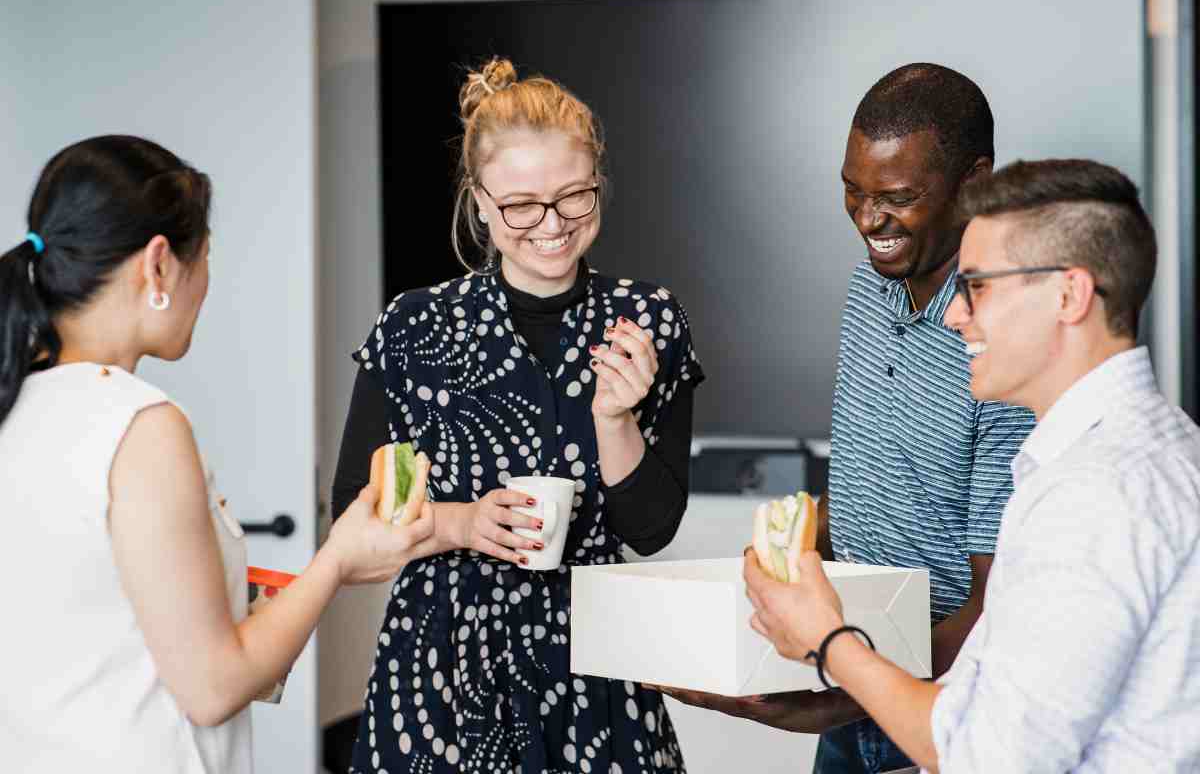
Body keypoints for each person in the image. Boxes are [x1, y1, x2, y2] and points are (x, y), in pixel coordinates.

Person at [745, 158, 1200, 773]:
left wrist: (829, 643)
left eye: (978, 286)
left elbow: (990, 757)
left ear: (1069, 295)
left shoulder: (1097, 494)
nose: (956, 315)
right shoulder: (1148, 448)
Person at [0, 135, 436, 773]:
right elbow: (213, 688)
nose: (205, 281)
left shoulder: (19, 405)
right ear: (158, 264)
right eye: (204, 255)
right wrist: (338, 558)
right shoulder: (140, 425)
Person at [655, 64, 1035, 774]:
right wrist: (783, 561)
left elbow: (999, 605)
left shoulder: (1005, 341)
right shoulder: (870, 287)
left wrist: (847, 689)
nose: (867, 219)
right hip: (851, 675)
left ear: (976, 181)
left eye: (897, 197)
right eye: (852, 191)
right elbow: (875, 480)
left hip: (941, 709)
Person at [332, 59, 704, 773]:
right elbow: (351, 513)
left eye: (575, 198)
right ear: (478, 201)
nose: (553, 226)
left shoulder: (647, 320)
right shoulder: (414, 327)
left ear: (598, 181)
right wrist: (460, 522)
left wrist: (616, 420)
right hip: (438, 667)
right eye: (522, 205)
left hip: (597, 661)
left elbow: (651, 531)